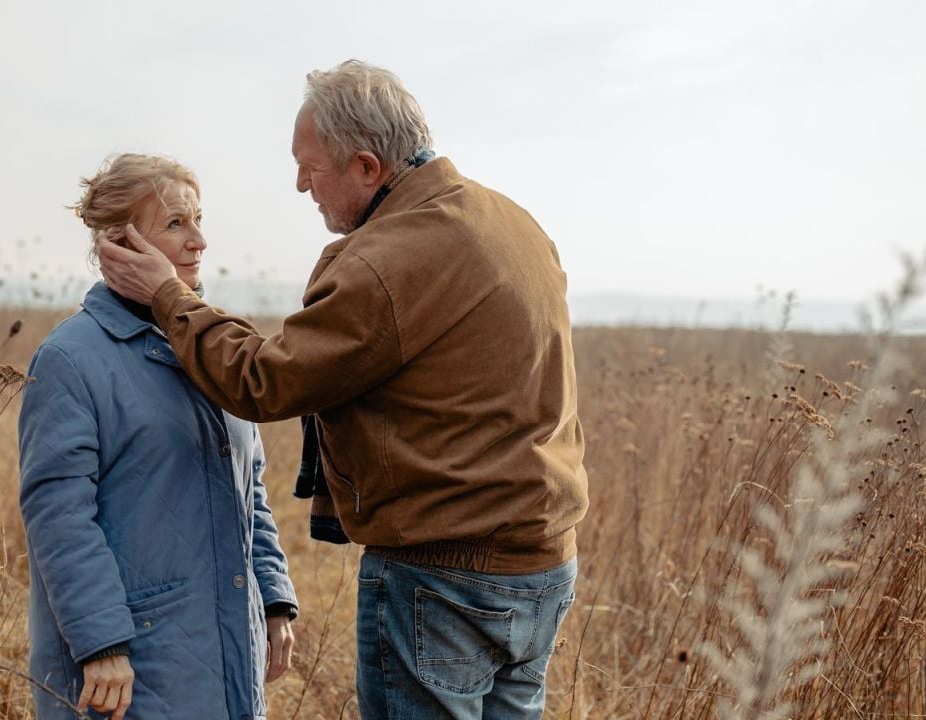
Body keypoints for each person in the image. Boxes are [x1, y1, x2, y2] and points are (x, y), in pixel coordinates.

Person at [97, 61, 589, 719]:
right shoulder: (512, 223)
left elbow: (264, 381)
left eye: (311, 166)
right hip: (543, 571)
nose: (301, 184)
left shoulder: (388, 259)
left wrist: (168, 297)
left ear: (365, 166)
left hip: (443, 580)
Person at [18, 153, 298, 720]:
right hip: (130, 667)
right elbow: (58, 517)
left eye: (198, 221)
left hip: (228, 648)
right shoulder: (71, 359)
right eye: (175, 224)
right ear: (120, 244)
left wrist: (272, 595)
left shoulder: (211, 347)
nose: (198, 241)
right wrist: (102, 645)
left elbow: (252, 489)